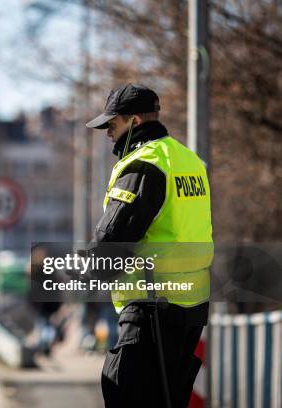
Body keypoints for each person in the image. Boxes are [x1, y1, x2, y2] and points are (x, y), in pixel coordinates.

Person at [85, 83, 212, 408]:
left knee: (124, 391)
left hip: (152, 306)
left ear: (135, 122)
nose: (108, 134)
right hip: (191, 307)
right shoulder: (188, 161)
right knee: (165, 399)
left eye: (112, 125)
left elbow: (114, 237)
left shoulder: (144, 165)